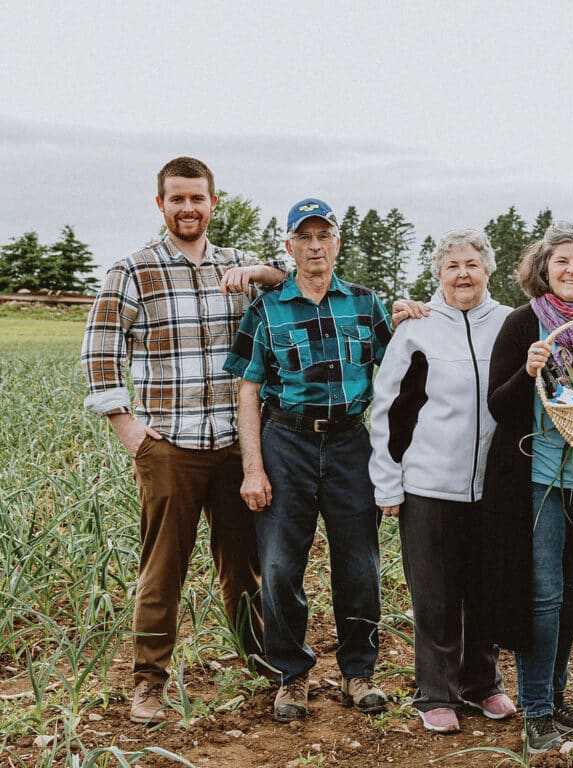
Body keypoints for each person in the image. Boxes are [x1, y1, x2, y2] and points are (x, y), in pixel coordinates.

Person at [81, 156, 286, 724]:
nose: (188, 208)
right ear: (161, 204)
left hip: (236, 446)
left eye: (198, 198)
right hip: (169, 443)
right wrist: (129, 430)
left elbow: (292, 281)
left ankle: (260, 662)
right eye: (177, 199)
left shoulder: (238, 263)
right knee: (162, 568)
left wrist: (262, 275)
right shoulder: (134, 271)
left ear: (213, 202)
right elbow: (100, 351)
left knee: (242, 566)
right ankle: (148, 681)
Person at [223, 198, 391, 722]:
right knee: (278, 565)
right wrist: (253, 467)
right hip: (286, 442)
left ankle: (358, 671)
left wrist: (395, 460)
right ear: (290, 246)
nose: (315, 246)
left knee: (360, 563)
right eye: (305, 237)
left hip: (350, 442)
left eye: (324, 236)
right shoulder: (268, 307)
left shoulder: (366, 304)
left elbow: (400, 376)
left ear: (337, 243)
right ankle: (290, 676)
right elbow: (247, 389)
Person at [481, 221, 573, 755]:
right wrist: (527, 373)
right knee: (541, 596)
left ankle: (557, 694)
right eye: (562, 261)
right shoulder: (524, 324)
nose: (572, 270)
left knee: (571, 592)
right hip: (538, 480)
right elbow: (499, 406)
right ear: (543, 268)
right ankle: (537, 710)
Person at [368, 228, 516, 733]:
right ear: (438, 275)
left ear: (488, 270)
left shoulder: (511, 325)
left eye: (472, 264)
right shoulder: (417, 329)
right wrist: (387, 482)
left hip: (492, 486)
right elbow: (388, 409)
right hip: (428, 484)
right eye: (452, 266)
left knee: (486, 587)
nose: (462, 274)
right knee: (435, 592)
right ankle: (435, 691)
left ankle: (483, 683)